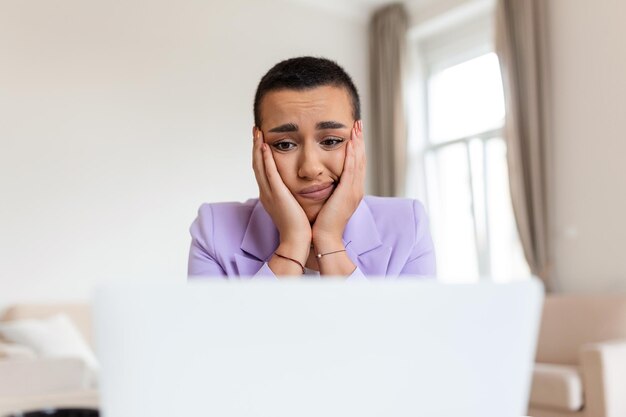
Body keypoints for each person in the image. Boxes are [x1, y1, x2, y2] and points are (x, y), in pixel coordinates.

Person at [188, 57, 435, 279]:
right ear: (258, 145)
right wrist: (292, 243)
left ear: (358, 141)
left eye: (331, 141)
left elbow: (401, 331)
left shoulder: (408, 224)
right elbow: (221, 331)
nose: (310, 168)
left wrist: (329, 241)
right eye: (284, 144)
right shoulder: (212, 229)